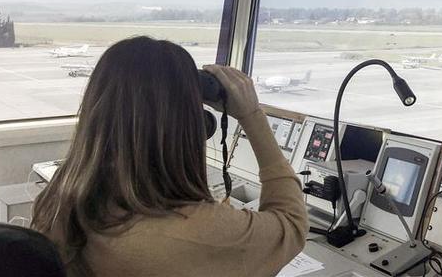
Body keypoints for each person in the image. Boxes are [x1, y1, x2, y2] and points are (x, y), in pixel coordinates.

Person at [31, 36, 307, 276]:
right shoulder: (205, 231)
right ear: (190, 127)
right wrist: (252, 115)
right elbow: (292, 224)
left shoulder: (63, 197)